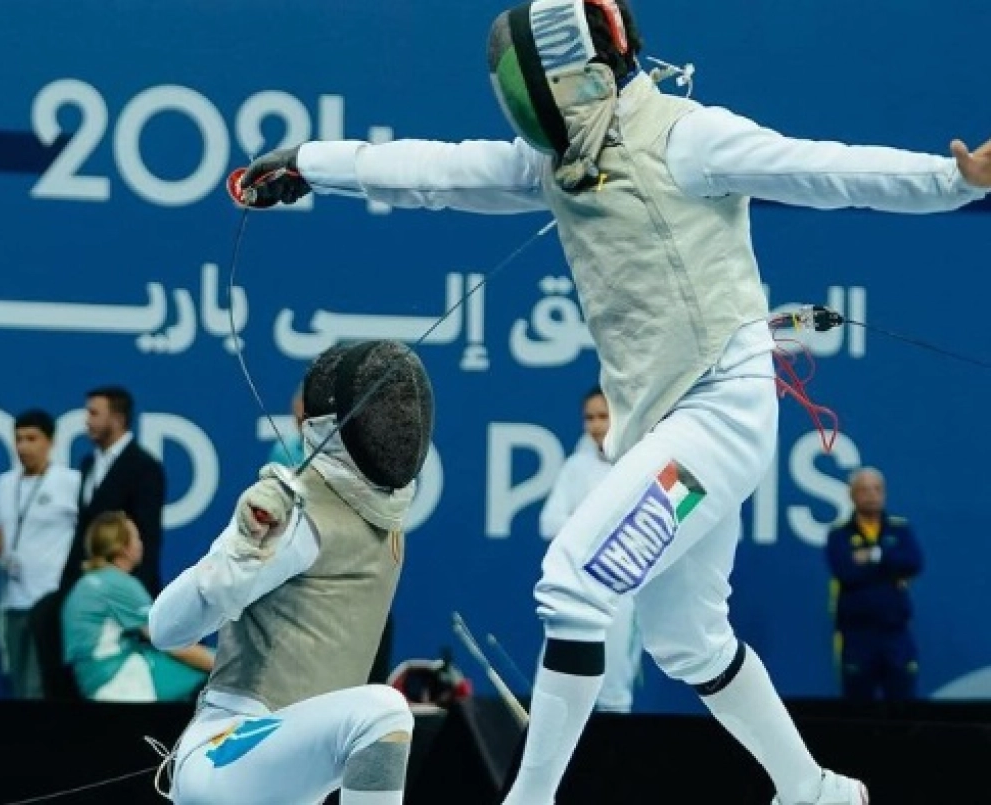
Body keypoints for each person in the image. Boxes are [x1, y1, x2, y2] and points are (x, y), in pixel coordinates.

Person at [236, 1, 991, 801]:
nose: (531, 113)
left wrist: (953, 182)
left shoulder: (686, 135)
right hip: (655, 427)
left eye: (539, 93)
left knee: (573, 582)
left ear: (588, 74)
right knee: (689, 639)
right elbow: (435, 171)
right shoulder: (553, 163)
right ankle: (815, 789)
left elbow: (822, 169)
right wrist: (310, 163)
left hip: (720, 411)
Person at [147, 340, 433, 805]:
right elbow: (164, 628)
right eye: (386, 410)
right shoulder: (294, 513)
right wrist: (240, 551)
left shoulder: (385, 512)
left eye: (405, 408)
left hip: (289, 776)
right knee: (382, 711)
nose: (401, 424)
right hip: (227, 750)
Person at [539, 387, 641, 713]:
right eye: (589, 418)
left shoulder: (642, 463)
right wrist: (597, 529)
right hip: (575, 590)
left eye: (604, 416)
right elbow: (548, 523)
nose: (596, 425)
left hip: (622, 591)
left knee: (614, 686)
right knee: (553, 684)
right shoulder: (576, 467)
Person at [0, 408, 81, 699]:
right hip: (11, 598)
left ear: (51, 442)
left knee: (40, 682)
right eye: (18, 439)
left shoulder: (69, 482)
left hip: (50, 597)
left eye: (32, 438)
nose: (23, 447)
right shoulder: (4, 484)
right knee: (17, 681)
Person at [63, 511, 213, 702]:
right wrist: (224, 664)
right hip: (116, 679)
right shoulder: (118, 583)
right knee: (218, 668)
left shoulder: (88, 582)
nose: (141, 543)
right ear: (123, 548)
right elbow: (171, 644)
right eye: (136, 537)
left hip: (93, 678)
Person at [827, 468, 923, 702]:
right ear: (852, 495)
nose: (871, 495)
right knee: (858, 712)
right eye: (863, 490)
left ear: (884, 493)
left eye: (876, 489)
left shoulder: (899, 529)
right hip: (857, 635)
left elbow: (913, 562)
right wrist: (890, 569)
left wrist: (872, 555)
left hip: (895, 633)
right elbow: (846, 571)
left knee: (903, 707)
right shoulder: (839, 535)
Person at [60, 385, 166, 598]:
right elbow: (83, 528)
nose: (87, 421)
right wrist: (67, 584)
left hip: (122, 593)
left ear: (117, 419)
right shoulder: (88, 463)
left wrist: (137, 598)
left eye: (94, 413)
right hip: (85, 586)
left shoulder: (144, 467)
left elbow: (148, 537)